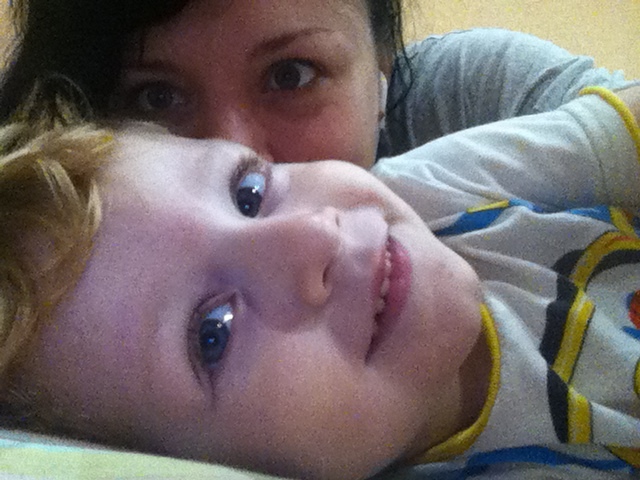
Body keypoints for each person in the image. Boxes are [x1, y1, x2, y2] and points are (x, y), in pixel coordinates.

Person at [0, 82, 639, 480]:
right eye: (214, 332)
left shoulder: (429, 193)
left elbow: (612, 135)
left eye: (249, 192)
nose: (311, 235)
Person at [0, 0, 639, 168]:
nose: (234, 154)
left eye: (290, 75)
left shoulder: (468, 98)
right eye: (157, 98)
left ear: (382, 63)